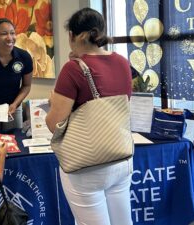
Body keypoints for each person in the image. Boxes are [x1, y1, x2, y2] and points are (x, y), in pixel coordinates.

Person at [45, 8, 133, 225]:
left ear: (73, 36)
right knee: (123, 221)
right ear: (100, 34)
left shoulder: (72, 70)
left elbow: (54, 125)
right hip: (121, 157)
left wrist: (53, 103)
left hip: (87, 165)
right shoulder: (122, 62)